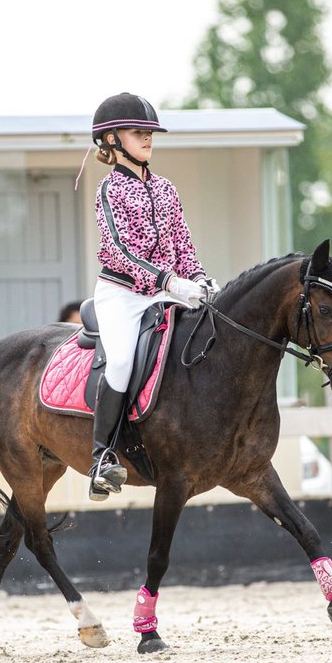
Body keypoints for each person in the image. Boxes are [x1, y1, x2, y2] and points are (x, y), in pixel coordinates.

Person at [84, 92, 219, 501]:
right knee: (122, 360)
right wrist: (168, 281)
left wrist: (196, 277)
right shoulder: (109, 191)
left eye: (149, 132)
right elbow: (121, 251)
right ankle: (101, 457)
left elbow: (183, 241)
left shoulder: (166, 189)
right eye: (137, 132)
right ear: (111, 140)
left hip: (166, 291)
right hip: (121, 294)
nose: (147, 139)